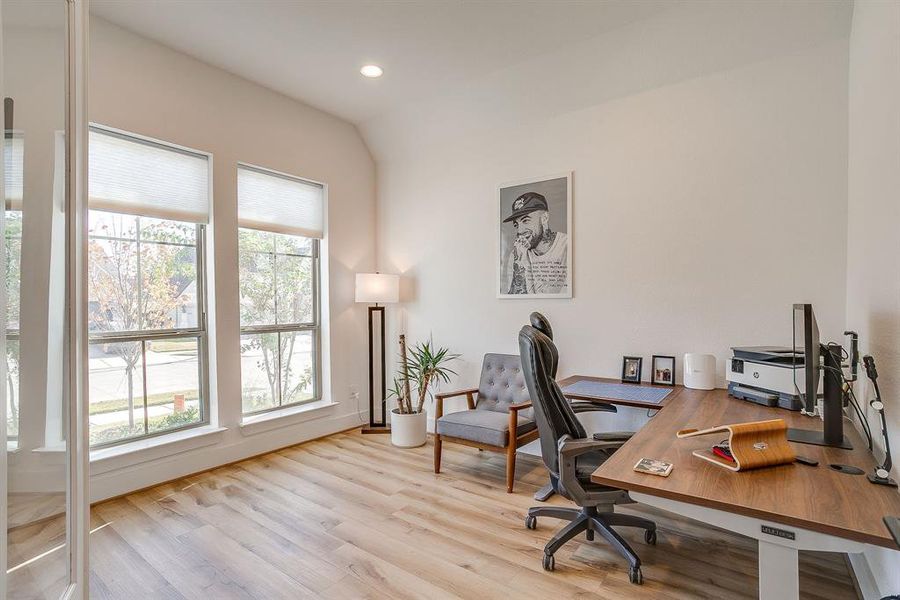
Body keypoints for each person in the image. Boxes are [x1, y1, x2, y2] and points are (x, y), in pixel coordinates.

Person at [503, 192, 568, 294]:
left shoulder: (567, 246)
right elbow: (515, 302)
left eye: (525, 221)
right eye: (516, 225)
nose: (519, 231)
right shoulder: (517, 255)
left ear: (544, 218)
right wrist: (520, 263)